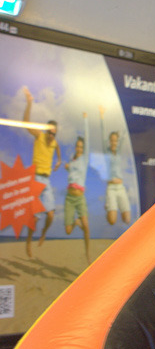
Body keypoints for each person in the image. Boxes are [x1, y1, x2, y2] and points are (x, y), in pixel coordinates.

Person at [22, 86, 61, 257]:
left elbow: (58, 150)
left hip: (47, 181)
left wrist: (59, 161)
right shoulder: (39, 136)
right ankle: (29, 242)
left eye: (54, 133)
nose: (52, 136)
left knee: (51, 215)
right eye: (50, 132)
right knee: (35, 217)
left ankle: (44, 233)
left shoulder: (54, 142)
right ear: (46, 131)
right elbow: (25, 123)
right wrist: (29, 103)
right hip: (36, 179)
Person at [64, 112, 91, 264]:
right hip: (69, 197)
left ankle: (87, 254)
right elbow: (73, 175)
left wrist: (85, 119)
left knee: (86, 226)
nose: (79, 148)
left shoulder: (84, 159)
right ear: (75, 147)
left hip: (80, 197)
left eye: (81, 147)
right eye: (78, 146)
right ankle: (75, 222)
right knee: (68, 231)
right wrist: (68, 167)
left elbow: (87, 138)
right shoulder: (72, 159)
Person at [99, 105, 131, 226]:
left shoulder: (118, 151)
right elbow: (102, 134)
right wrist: (102, 116)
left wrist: (126, 112)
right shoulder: (106, 152)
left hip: (121, 187)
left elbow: (124, 134)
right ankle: (108, 207)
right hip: (111, 188)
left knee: (127, 219)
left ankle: (110, 206)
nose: (114, 142)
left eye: (115, 140)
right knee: (112, 221)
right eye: (112, 140)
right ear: (109, 141)